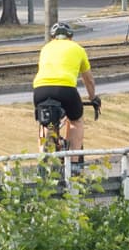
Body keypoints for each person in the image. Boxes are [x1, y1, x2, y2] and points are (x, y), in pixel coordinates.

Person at [31, 20, 98, 154]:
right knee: (76, 120)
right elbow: (89, 80)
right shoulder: (77, 48)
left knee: (45, 121)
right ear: (70, 37)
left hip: (40, 89)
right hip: (65, 89)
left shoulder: (45, 48)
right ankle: (73, 164)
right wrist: (93, 98)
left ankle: (42, 159)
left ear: (52, 37)